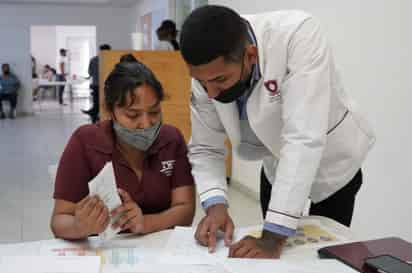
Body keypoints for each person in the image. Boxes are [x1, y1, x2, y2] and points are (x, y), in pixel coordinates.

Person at [179, 5, 375, 259]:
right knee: (273, 258)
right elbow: (206, 147)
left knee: (322, 256)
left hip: (332, 161)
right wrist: (216, 206)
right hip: (275, 159)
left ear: (250, 55)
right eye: (201, 82)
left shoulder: (297, 35)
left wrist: (272, 238)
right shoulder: (208, 73)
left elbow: (303, 136)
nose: (211, 93)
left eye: (219, 80)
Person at [51, 61, 195, 240]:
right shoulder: (85, 142)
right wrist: (79, 226)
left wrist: (146, 223)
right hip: (105, 254)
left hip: (159, 251)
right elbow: (59, 220)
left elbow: (186, 210)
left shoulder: (171, 139)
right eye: (133, 115)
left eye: (154, 112)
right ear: (110, 111)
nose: (146, 124)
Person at [82, 44, 112, 123]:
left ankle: (93, 115)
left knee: (96, 101)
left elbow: (90, 72)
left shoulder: (93, 60)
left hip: (95, 85)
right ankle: (96, 114)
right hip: (107, 85)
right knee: (106, 102)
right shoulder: (111, 60)